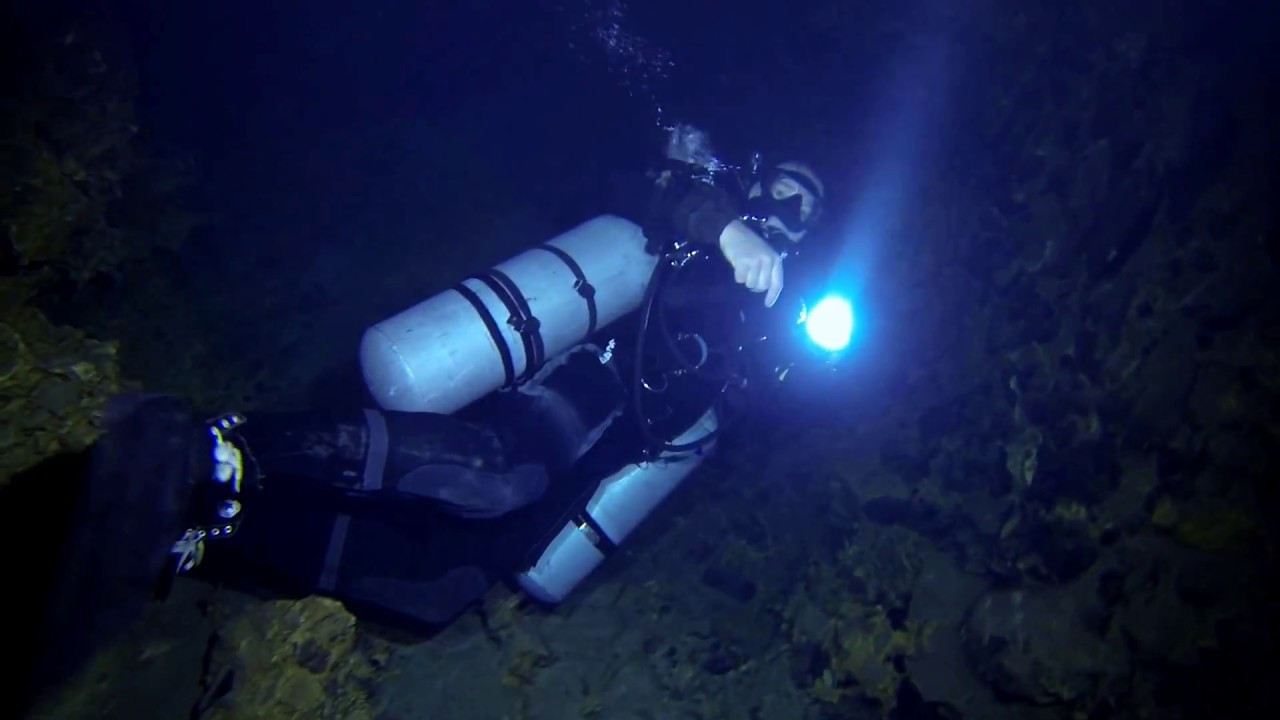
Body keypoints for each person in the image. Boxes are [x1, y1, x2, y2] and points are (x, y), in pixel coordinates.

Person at [11, 124, 826, 709]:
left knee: (430, 593)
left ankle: (215, 537)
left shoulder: (768, 321)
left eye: (806, 213)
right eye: (785, 192)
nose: (788, 215)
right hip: (578, 387)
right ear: (756, 184)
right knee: (498, 473)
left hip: (594, 466)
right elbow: (642, 189)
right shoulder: (700, 221)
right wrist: (722, 225)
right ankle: (226, 448)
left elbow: (747, 424)